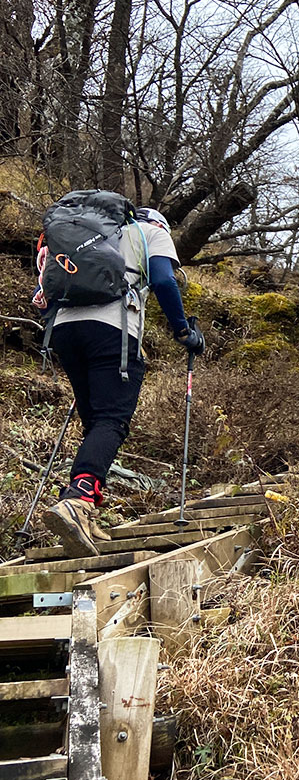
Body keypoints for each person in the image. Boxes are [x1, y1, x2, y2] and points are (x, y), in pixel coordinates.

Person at [39, 203, 205, 557]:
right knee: (111, 420)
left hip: (64, 329)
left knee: (96, 424)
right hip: (112, 330)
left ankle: (85, 509)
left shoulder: (92, 234)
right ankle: (80, 498)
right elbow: (162, 280)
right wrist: (182, 332)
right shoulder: (152, 233)